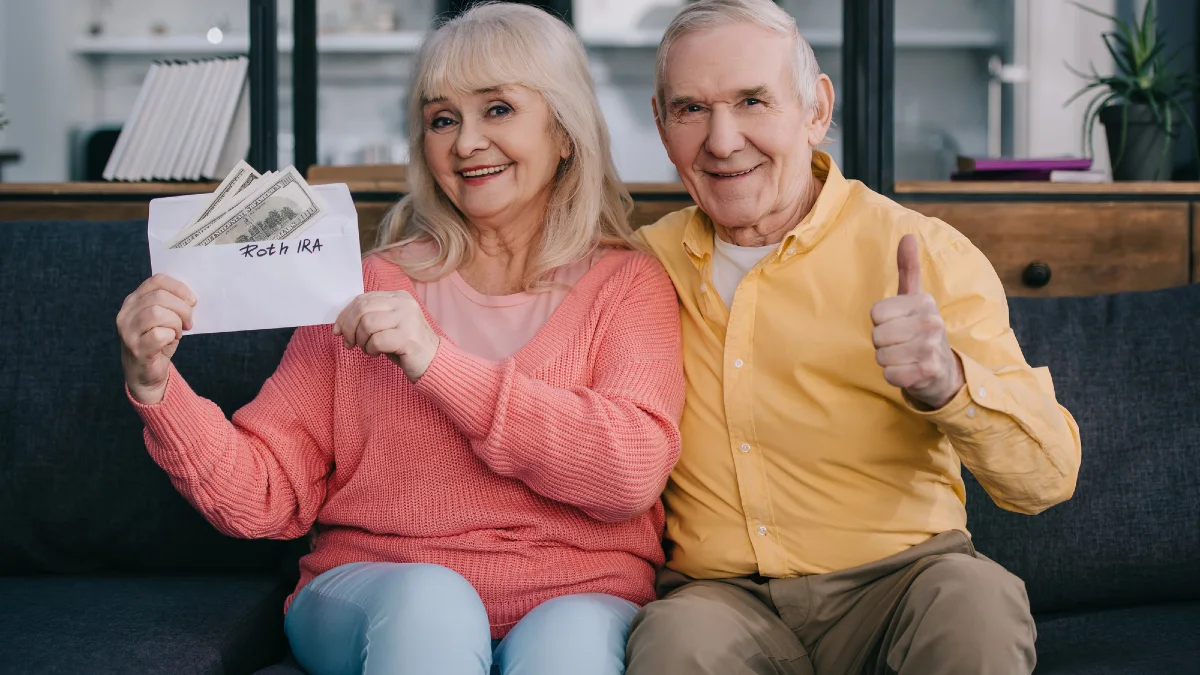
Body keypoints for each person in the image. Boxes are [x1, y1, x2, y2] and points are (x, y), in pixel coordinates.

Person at [116, 5, 685, 674]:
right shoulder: (366, 284)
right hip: (379, 587)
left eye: (497, 109)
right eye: (443, 119)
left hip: (581, 594)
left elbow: (629, 472)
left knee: (569, 650)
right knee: (430, 600)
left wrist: (436, 362)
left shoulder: (628, 283)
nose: (467, 142)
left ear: (564, 131)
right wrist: (154, 385)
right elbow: (264, 494)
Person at [625, 1, 1082, 673]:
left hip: (902, 584)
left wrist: (948, 384)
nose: (721, 140)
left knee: (977, 601)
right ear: (662, 124)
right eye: (691, 109)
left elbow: (1048, 477)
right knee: (672, 642)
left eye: (753, 101)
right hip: (719, 602)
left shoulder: (923, 252)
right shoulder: (637, 269)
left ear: (816, 109)